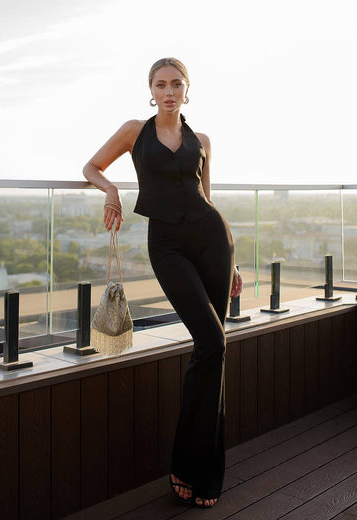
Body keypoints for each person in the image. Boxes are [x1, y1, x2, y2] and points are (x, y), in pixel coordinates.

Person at [83, 57, 243, 509]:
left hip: (213, 241)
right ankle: (188, 463)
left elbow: (208, 198)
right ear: (150, 90)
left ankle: (207, 468)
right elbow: (91, 167)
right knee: (211, 342)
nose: (168, 91)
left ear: (187, 90)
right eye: (161, 85)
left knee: (214, 350)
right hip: (167, 244)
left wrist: (233, 263)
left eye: (176, 84)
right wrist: (112, 192)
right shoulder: (136, 131)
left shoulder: (203, 140)